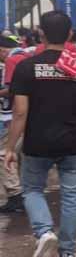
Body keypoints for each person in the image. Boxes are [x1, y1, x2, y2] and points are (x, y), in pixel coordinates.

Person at [4, 10, 76, 257]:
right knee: (72, 197)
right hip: (73, 143)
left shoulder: (27, 66)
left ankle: (44, 230)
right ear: (70, 33)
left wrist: (10, 147)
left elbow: (20, 112)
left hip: (36, 144)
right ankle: (67, 254)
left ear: (40, 33)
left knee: (33, 190)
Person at [0, 31, 24, 213]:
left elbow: (11, 90)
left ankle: (15, 195)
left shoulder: (11, 62)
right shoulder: (25, 57)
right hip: (23, 115)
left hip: (12, 117)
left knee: (4, 154)